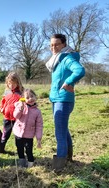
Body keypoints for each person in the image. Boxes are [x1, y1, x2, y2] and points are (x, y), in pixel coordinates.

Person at [46, 34, 85, 172]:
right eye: (51, 45)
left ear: (64, 45)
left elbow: (80, 70)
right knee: (63, 129)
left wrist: (69, 82)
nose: (53, 47)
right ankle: (68, 157)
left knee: (60, 133)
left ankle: (59, 167)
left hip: (63, 100)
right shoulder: (56, 60)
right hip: (56, 99)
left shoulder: (67, 58)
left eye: (56, 44)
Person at [13, 89, 43, 168]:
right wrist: (21, 109)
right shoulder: (20, 106)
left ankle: (30, 164)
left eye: (32, 96)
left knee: (29, 150)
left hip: (29, 135)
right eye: (27, 97)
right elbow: (16, 116)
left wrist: (38, 138)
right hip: (18, 133)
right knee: (19, 149)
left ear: (35, 97)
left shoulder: (37, 112)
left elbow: (39, 125)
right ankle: (22, 164)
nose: (30, 99)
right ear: (23, 99)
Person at [0, 72, 24, 153]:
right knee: (5, 134)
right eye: (9, 83)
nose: (11, 85)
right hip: (7, 117)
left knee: (18, 135)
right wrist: (1, 108)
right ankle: (1, 149)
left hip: (18, 118)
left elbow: (24, 103)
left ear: (18, 82)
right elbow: (3, 101)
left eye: (14, 83)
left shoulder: (21, 92)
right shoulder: (7, 92)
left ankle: (20, 151)